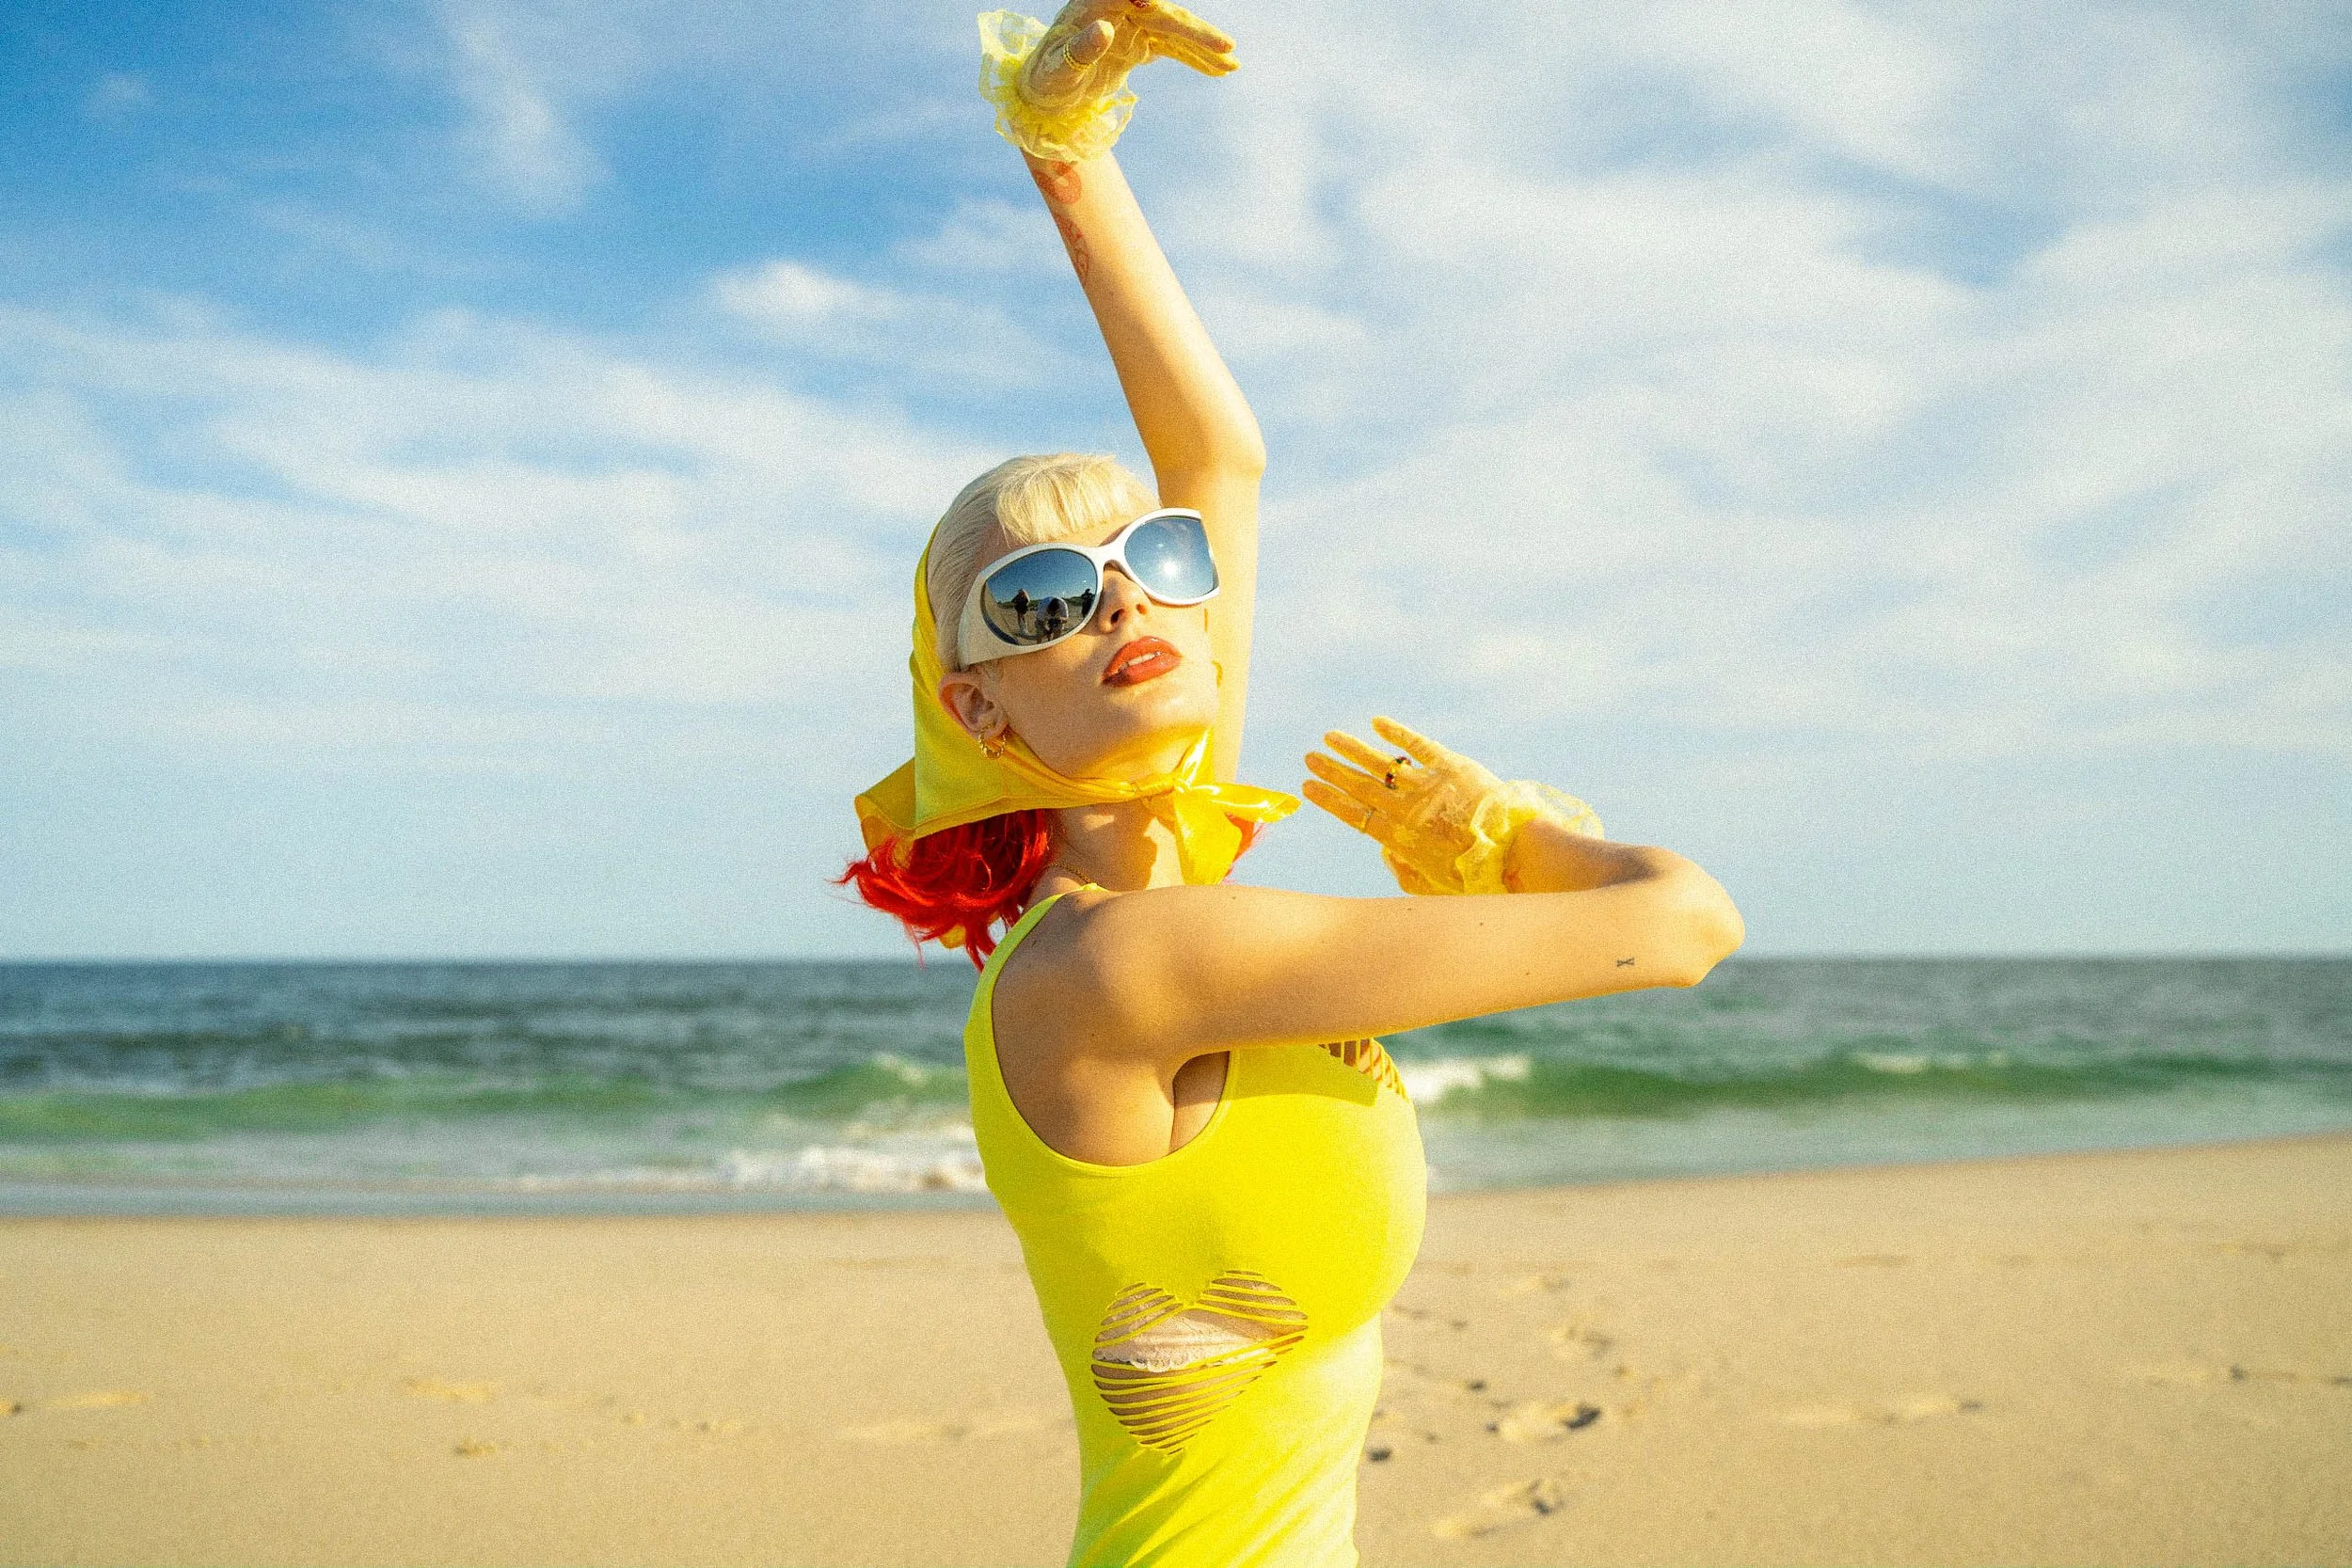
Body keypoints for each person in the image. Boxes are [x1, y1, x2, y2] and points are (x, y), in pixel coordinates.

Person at [839, 5, 1744, 1563]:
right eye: (1048, 596)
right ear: (972, 703)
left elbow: (1220, 460)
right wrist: (1513, 841)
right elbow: (1682, 927)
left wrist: (1065, 146)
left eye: (1149, 570)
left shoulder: (1169, 878)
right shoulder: (1134, 959)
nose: (1123, 603)